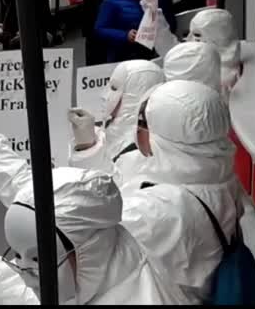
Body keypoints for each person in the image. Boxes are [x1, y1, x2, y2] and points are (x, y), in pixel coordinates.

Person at [0, 115, 187, 304]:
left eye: (38, 258)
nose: (24, 273)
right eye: (17, 255)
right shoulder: (108, 259)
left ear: (90, 248)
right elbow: (61, 204)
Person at [67, 80, 243, 303]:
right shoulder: (215, 174)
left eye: (144, 122)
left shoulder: (161, 209)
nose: (138, 128)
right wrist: (88, 147)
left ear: (167, 137)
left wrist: (7, 163)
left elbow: (84, 232)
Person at [68, 60, 165, 185]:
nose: (104, 95)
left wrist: (87, 148)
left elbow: (108, 192)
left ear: (134, 96)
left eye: (114, 88)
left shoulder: (141, 149)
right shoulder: (112, 130)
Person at [147, 6, 241, 98]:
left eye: (196, 34)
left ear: (218, 37)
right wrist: (155, 16)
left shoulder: (222, 77)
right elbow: (175, 53)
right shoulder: (213, 61)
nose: (188, 38)